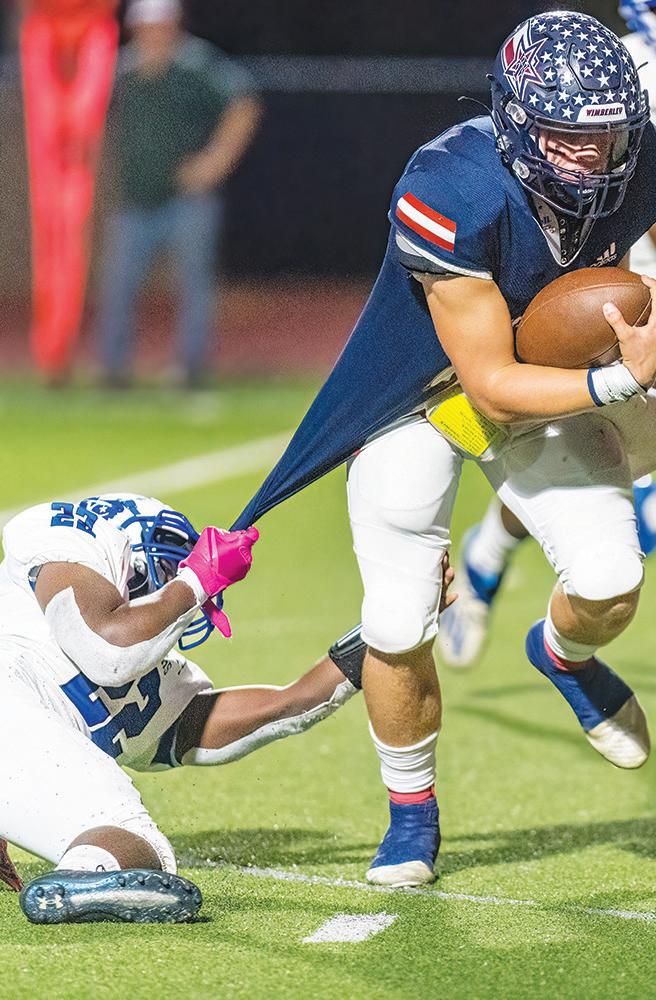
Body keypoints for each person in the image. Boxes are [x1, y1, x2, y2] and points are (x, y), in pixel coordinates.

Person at [229, 11, 656, 889]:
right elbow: (490, 385)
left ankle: (563, 653)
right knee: (395, 619)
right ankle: (411, 810)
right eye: (569, 137)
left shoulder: (640, 158)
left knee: (611, 581)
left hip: (545, 383)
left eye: (608, 137)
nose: (592, 158)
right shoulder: (452, 184)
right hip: (421, 400)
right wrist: (623, 379)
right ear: (517, 120)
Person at [0, 494, 375, 923]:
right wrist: (196, 580)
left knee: (126, 846)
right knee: (130, 837)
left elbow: (283, 705)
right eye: (166, 568)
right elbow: (108, 650)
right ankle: (83, 874)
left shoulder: (153, 680)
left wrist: (377, 639)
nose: (170, 581)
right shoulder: (76, 539)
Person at [439, 0, 656, 670]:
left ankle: (489, 552)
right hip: (619, 281)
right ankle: (502, 563)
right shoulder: (622, 71)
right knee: (604, 473)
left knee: (612, 483)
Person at [97, 0, 262, 388]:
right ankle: (113, 370)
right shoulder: (123, 70)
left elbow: (244, 103)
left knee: (193, 286)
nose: (154, 34)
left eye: (161, 26)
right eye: (147, 27)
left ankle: (190, 370)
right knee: (118, 285)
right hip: (136, 198)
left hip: (186, 198)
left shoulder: (196, 64)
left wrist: (215, 160)